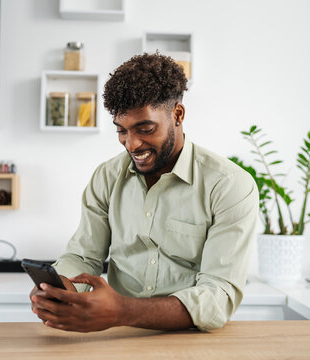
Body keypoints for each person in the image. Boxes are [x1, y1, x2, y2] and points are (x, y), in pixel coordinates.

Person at [30, 53, 258, 332]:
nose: (132, 144)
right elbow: (83, 256)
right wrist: (60, 286)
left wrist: (121, 311)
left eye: (146, 129)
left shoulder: (229, 185)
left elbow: (217, 295)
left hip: (190, 340)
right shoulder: (107, 177)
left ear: (178, 114)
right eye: (121, 131)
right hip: (115, 336)